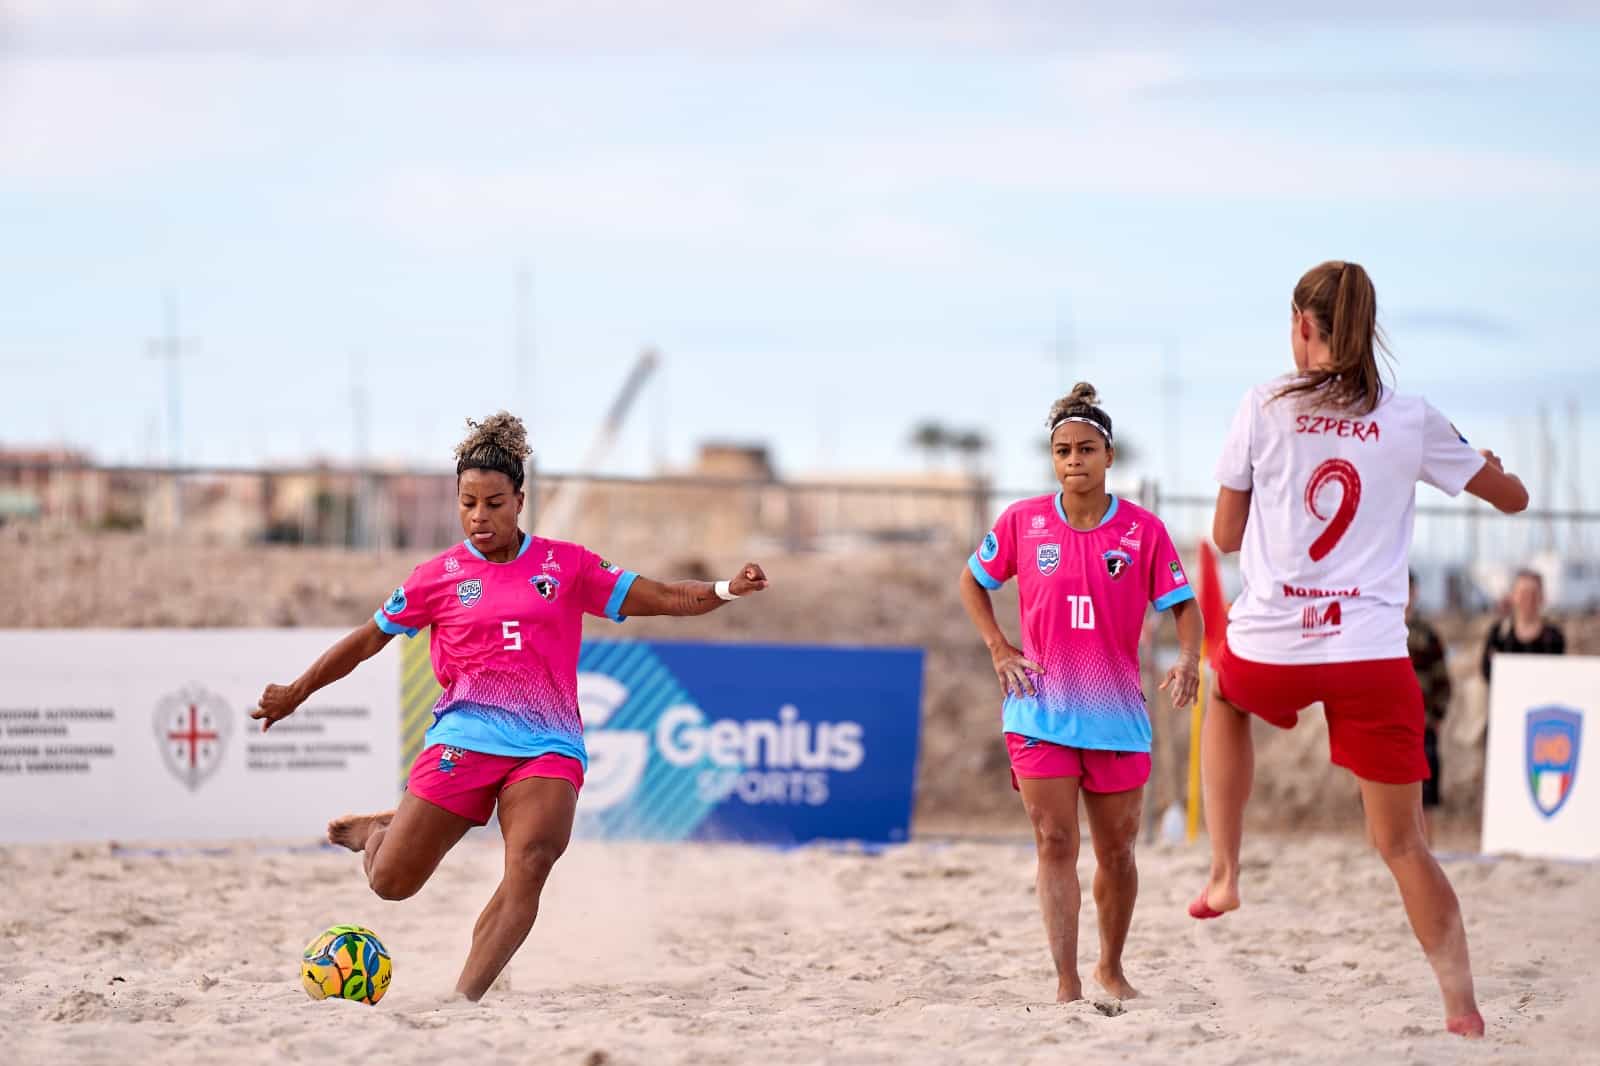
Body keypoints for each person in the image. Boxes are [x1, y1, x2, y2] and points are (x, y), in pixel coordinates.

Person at [250, 412, 769, 1001]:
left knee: (532, 861)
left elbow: (666, 595)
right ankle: (379, 832)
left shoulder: (567, 565)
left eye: (494, 502)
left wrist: (728, 589)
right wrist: (296, 692)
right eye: (467, 503)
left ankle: (462, 1001)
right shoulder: (436, 577)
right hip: (464, 740)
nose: (479, 516)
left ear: (519, 500)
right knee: (391, 885)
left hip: (548, 745)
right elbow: (367, 640)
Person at [1196, 261, 1528, 1038]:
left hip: (1274, 642)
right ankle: (1461, 1008)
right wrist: (1498, 471)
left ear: (1302, 327)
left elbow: (1224, 536)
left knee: (1225, 694)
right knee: (1405, 844)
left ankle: (1225, 871)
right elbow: (1510, 500)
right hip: (1372, 654)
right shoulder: (1409, 417)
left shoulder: (1263, 404)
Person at [958, 382, 1202, 1003]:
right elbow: (972, 582)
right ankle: (1066, 983)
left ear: (1109, 456)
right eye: (1063, 450)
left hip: (1117, 716)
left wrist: (1191, 660)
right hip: (1038, 710)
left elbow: (1184, 607)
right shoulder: (1022, 522)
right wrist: (999, 648)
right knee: (1054, 842)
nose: (1074, 461)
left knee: (1117, 851)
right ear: (1053, 458)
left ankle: (1109, 968)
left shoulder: (1144, 532)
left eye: (1086, 449)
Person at [1406, 570, 1450, 825]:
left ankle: (1427, 850)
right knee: (1374, 792)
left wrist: (1436, 716)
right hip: (1382, 724)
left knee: (1426, 794)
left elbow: (1442, 680)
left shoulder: (1428, 635)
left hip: (1421, 724)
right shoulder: (1376, 629)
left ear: (1415, 592)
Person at [1479, 568, 1564, 683]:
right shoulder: (1499, 633)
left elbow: (1557, 674)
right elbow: (1486, 672)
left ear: (1542, 597)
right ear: (1513, 596)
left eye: (1533, 594)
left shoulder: (1554, 636)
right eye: (1523, 594)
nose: (1528, 599)